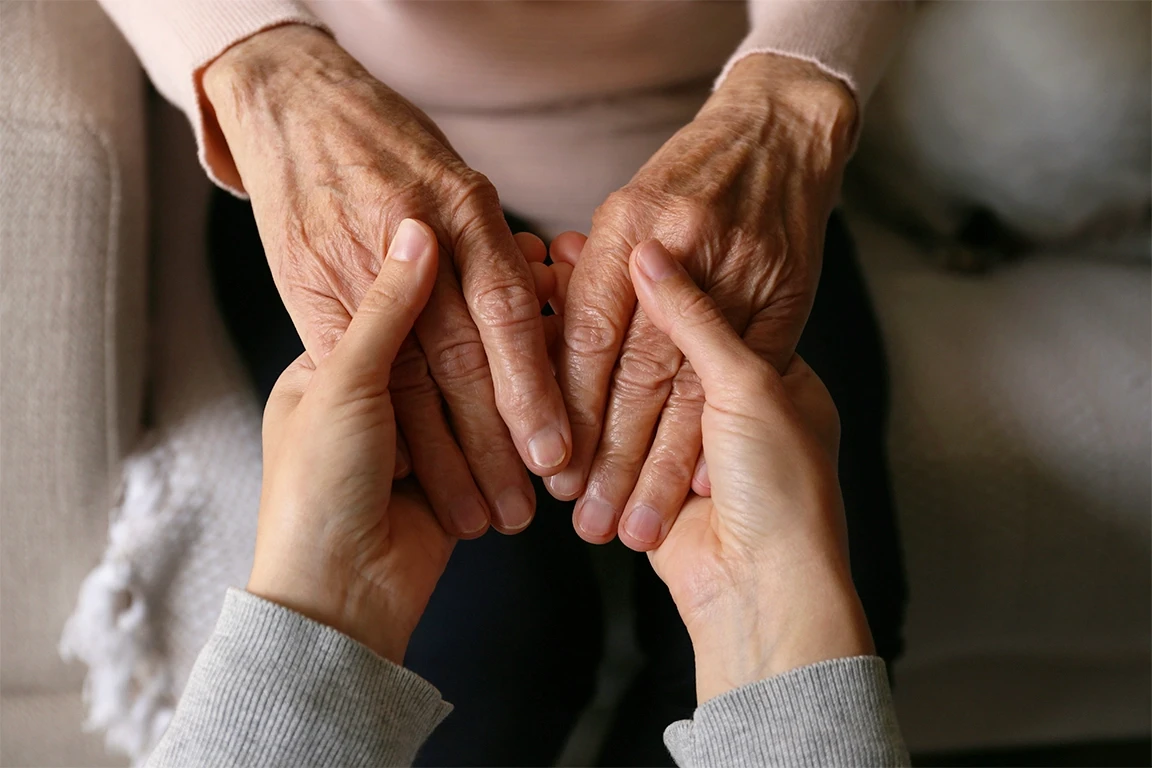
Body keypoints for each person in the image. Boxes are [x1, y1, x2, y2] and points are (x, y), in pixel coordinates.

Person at [98, 2, 909, 762]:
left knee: (842, 597)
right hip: (346, 159)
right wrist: (266, 69)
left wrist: (794, 99)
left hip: (733, 163)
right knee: (491, 645)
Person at [146, 219, 908, 767]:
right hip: (375, 203)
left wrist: (761, 596)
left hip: (713, 215)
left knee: (858, 591)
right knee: (501, 640)